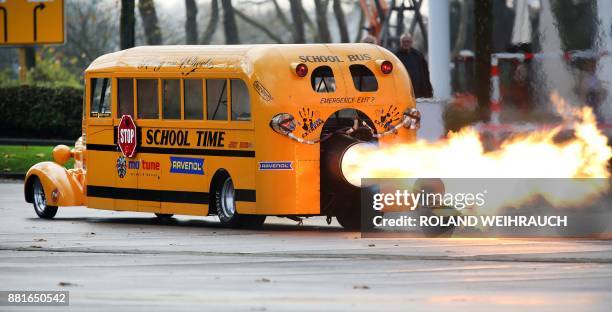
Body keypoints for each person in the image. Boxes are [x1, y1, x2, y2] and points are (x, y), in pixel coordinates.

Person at [394, 33, 433, 98]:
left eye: (408, 41)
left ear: (411, 42)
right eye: (404, 41)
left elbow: (425, 73)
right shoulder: (395, 56)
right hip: (401, 90)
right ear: (400, 42)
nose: (406, 43)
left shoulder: (418, 55)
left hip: (418, 91)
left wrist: (429, 90)